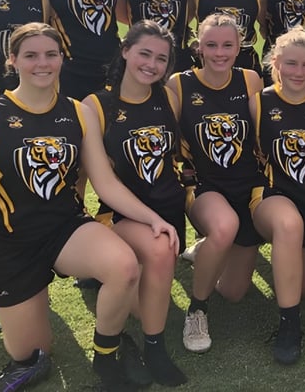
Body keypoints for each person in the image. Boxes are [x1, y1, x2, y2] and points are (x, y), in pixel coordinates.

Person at [0, 22, 179, 391]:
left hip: (67, 229)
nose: (43, 63)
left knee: (124, 266)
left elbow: (105, 183)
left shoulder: (78, 112)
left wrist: (154, 219)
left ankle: (107, 354)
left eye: (51, 55)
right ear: (13, 59)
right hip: (13, 241)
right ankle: (31, 351)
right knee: (32, 354)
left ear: (61, 59)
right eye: (31, 55)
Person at [83, 20, 187, 387]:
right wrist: (152, 218)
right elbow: (104, 183)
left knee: (152, 292)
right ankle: (155, 349)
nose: (152, 64)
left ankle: (117, 286)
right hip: (123, 213)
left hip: (171, 209)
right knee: (159, 250)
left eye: (161, 58)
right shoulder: (96, 105)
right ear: (125, 51)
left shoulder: (170, 95)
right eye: (144, 53)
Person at [167, 13, 264, 354]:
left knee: (236, 292)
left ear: (240, 46)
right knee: (225, 226)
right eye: (211, 45)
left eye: (227, 44)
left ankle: (205, 251)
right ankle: (197, 309)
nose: (219, 52)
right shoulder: (179, 84)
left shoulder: (251, 79)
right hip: (204, 186)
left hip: (248, 185)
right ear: (198, 47)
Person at [250, 27, 305, 363]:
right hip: (272, 196)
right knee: (288, 224)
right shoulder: (259, 101)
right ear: (276, 63)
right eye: (290, 64)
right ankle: (290, 324)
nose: (298, 73)